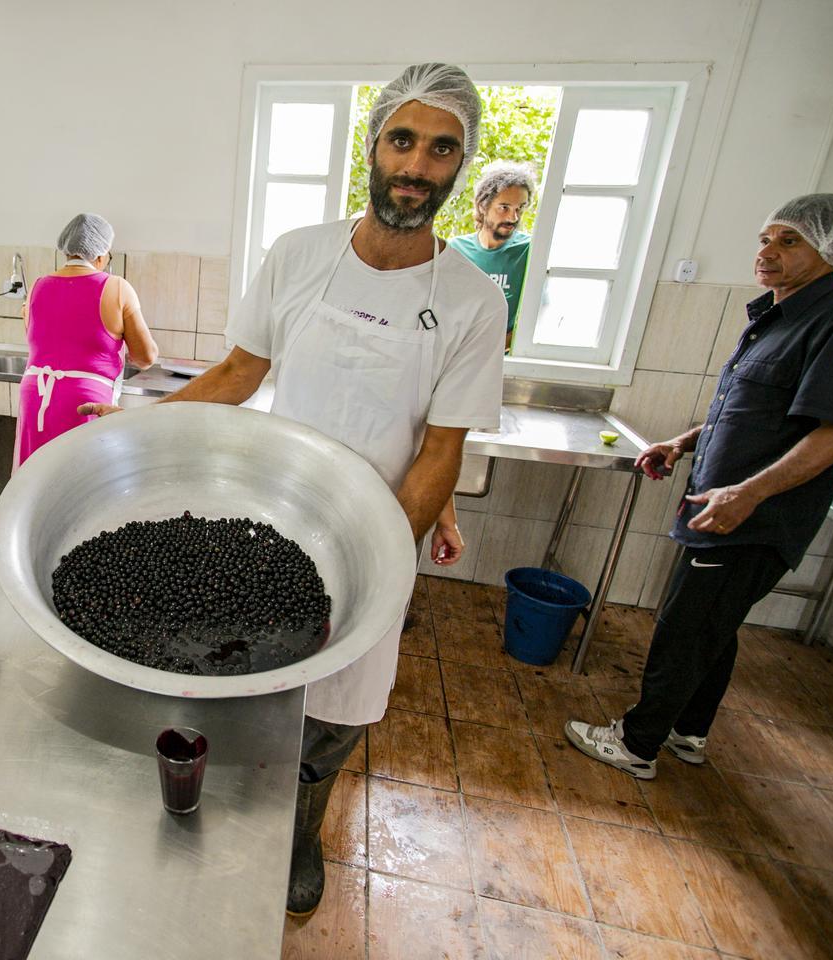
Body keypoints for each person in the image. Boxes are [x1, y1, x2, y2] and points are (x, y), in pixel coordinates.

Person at [82, 63, 506, 915]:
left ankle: (302, 832)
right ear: (373, 145)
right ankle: (224, 802)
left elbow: (438, 448)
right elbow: (239, 372)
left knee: (342, 704)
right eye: (403, 140)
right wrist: (122, 434)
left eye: (441, 150)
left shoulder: (470, 300)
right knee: (234, 673)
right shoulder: (301, 254)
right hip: (265, 524)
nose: (417, 167)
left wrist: (378, 570)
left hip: (372, 537)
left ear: (459, 165)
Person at [566, 194, 833, 780]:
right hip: (721, 507)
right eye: (766, 238)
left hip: (750, 520)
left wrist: (747, 494)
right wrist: (682, 443)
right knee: (714, 627)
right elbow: (749, 412)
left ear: (830, 250)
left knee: (684, 629)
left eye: (789, 241)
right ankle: (689, 730)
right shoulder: (779, 318)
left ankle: (637, 743)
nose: (768, 252)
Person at [15, 213, 158, 466]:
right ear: (102, 256)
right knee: (81, 483)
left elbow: (40, 339)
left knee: (37, 479)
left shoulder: (37, 287)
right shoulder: (117, 288)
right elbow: (146, 357)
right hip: (85, 400)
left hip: (35, 397)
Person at [448, 160, 536, 351]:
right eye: (504, 207)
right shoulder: (456, 250)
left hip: (507, 360)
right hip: (457, 354)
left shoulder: (529, 250)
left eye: (520, 208)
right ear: (482, 206)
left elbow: (540, 314)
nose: (513, 217)